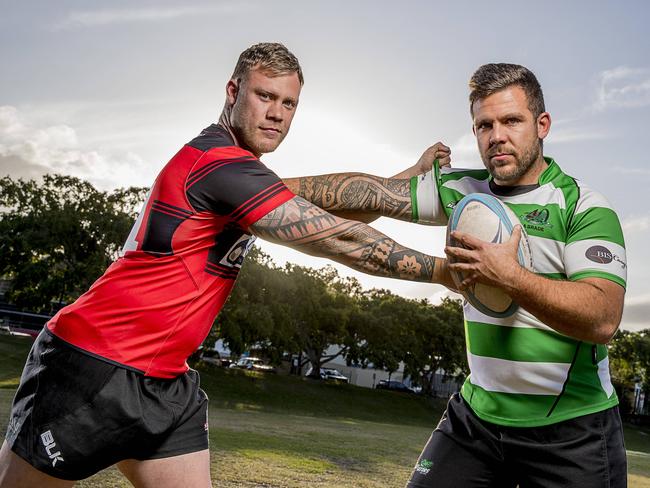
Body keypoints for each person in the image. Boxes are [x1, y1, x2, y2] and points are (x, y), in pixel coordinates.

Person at [0, 42, 453, 487]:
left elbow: (332, 202)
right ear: (233, 92)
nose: (277, 113)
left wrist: (406, 178)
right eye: (265, 96)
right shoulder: (217, 163)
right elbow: (339, 238)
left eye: (289, 103)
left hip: (166, 381)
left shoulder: (241, 172)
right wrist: (446, 272)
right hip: (92, 365)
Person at [286, 63, 628, 487]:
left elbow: (602, 318)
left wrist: (511, 277)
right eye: (484, 125)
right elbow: (368, 192)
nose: (496, 136)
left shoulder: (584, 207)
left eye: (511, 121)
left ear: (542, 125)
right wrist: (252, 185)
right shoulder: (464, 190)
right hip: (477, 420)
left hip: (571, 431)